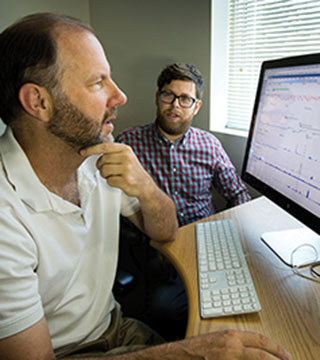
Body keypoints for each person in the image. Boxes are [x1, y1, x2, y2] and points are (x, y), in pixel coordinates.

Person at [0, 13, 291, 360]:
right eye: (98, 82)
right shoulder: (6, 216)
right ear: (39, 102)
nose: (120, 96)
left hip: (115, 326)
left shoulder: (98, 158)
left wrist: (146, 187)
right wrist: (189, 353)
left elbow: (166, 228)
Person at [116, 63, 252, 339]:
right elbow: (117, 206)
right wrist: (153, 241)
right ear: (157, 98)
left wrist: (239, 239)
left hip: (208, 238)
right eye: (168, 95)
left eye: (185, 99)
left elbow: (236, 193)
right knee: (165, 312)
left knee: (237, 308)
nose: (175, 105)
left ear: (196, 106)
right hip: (159, 245)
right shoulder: (129, 144)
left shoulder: (209, 145)